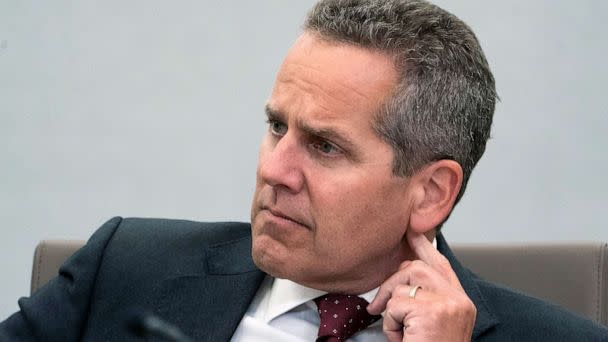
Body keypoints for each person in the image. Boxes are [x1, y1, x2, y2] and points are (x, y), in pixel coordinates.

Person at [1, 0, 607, 341]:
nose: (275, 170)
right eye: (275, 127)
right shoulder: (124, 269)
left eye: (324, 147)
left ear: (429, 192)